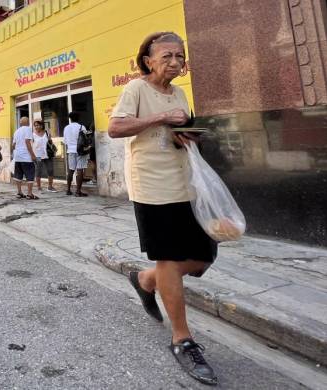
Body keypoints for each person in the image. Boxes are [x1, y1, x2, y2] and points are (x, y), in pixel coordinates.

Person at [108, 32, 218, 386]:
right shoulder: (136, 90)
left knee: (203, 257)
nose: (175, 62)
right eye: (167, 55)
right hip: (152, 186)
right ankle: (182, 339)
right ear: (148, 61)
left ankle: (145, 280)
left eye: (180, 56)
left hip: (184, 183)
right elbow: (115, 127)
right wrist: (159, 119)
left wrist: (188, 133)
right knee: (169, 258)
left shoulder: (181, 93)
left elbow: (180, 128)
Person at [63, 112, 89, 196]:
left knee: (71, 170)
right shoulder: (82, 127)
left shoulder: (66, 128)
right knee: (80, 170)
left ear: (70, 118)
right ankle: (78, 191)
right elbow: (86, 140)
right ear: (78, 118)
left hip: (70, 151)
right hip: (80, 151)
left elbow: (65, 141)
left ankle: (68, 190)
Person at [11, 117, 38, 199]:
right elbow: (27, 142)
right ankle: (29, 194)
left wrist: (17, 153)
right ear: (28, 122)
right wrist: (33, 155)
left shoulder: (16, 131)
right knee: (30, 175)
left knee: (18, 175)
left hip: (18, 157)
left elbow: (13, 146)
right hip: (26, 157)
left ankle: (19, 193)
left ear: (20, 123)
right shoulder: (28, 129)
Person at [32, 120, 57, 193]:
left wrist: (50, 139)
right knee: (38, 171)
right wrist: (32, 155)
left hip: (47, 154)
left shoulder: (46, 133)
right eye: (35, 125)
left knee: (50, 170)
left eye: (38, 125)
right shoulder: (32, 135)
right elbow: (31, 145)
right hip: (38, 155)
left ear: (42, 125)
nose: (37, 127)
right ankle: (39, 187)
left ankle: (50, 186)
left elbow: (50, 142)